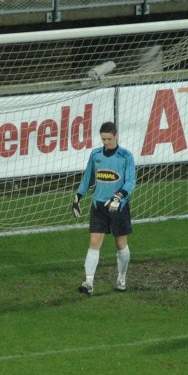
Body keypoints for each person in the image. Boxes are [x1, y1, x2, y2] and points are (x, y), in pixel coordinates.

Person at [71, 121, 136, 296]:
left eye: (108, 138)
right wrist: (78, 196)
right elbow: (88, 179)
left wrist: (118, 196)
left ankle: (121, 278)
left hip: (118, 207)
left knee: (121, 244)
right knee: (94, 243)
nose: (105, 142)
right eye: (103, 139)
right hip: (98, 205)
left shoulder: (126, 156)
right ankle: (88, 282)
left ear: (115, 136)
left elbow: (130, 181)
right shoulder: (95, 155)